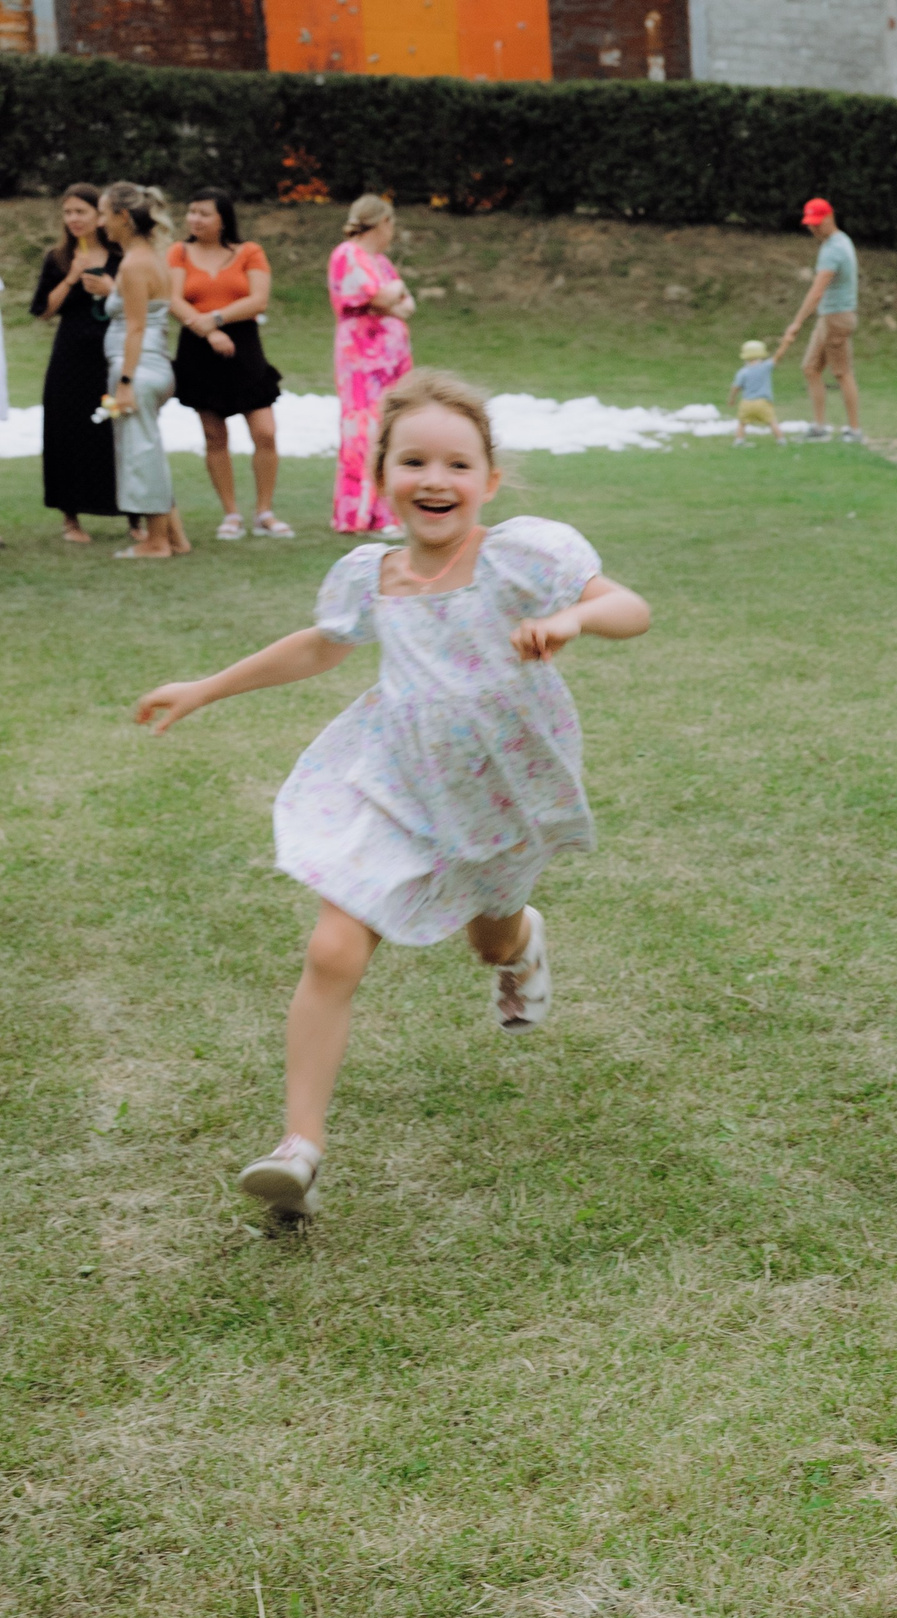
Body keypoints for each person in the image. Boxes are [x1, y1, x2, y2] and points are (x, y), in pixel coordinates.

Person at [131, 370, 653, 1220]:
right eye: (413, 461)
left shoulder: (525, 556)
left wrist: (575, 618)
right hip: (394, 785)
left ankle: (520, 945)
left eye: (457, 464)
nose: (434, 479)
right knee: (333, 949)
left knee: (490, 934)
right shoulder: (370, 576)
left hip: (500, 795)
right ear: (381, 476)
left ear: (489, 479)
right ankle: (299, 1149)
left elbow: (631, 608)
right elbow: (318, 646)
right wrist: (206, 686)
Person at [170, 186, 292, 541]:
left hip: (244, 347)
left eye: (204, 213)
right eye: (191, 211)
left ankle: (264, 511)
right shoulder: (178, 252)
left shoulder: (249, 252)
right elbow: (173, 299)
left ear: (223, 219)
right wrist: (208, 331)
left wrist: (218, 318)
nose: (195, 219)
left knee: (265, 431)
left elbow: (258, 300)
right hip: (198, 348)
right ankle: (231, 513)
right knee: (214, 435)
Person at [29, 184, 130, 544]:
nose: (73, 219)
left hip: (113, 352)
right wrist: (71, 277)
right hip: (70, 356)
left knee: (118, 431)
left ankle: (134, 515)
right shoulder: (57, 258)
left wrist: (111, 289)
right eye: (67, 212)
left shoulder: (122, 256)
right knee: (66, 431)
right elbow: (43, 310)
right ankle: (71, 518)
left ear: (99, 216)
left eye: (80, 212)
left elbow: (140, 302)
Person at [97, 183, 188, 560]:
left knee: (141, 453)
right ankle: (176, 538)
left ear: (122, 216)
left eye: (104, 214)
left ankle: (156, 542)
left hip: (139, 369)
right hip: (151, 364)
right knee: (147, 448)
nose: (100, 222)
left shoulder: (135, 264)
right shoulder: (149, 257)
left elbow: (136, 327)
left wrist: (125, 382)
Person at [329, 195, 416, 535]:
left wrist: (390, 296)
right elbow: (380, 297)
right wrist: (392, 293)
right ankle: (360, 513)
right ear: (382, 222)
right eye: (391, 223)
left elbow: (407, 306)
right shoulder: (348, 254)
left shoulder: (380, 262)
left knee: (391, 426)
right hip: (362, 360)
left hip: (391, 360)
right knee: (364, 429)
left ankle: (387, 512)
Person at [776, 197, 863, 445]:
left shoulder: (834, 249)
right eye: (810, 224)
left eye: (817, 223)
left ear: (829, 217)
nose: (813, 228)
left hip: (837, 318)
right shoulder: (839, 241)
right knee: (810, 368)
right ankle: (819, 427)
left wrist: (796, 323)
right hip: (829, 316)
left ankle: (854, 430)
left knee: (842, 373)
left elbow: (817, 291)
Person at [730, 338, 778, 444]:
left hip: (747, 403)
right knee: (772, 422)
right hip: (763, 402)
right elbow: (777, 357)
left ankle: (739, 440)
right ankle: (781, 440)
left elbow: (736, 387)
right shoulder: (765, 367)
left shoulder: (742, 372)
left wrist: (732, 399)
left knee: (742, 423)